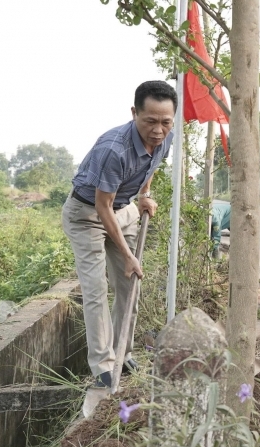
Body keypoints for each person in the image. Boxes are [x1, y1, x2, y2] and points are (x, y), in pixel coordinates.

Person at [62, 80, 176, 389]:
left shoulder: (167, 136)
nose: (157, 129)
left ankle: (121, 352)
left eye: (165, 122)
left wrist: (145, 195)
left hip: (123, 210)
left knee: (130, 286)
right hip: (86, 214)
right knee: (97, 289)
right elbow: (102, 206)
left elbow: (152, 165)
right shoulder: (113, 148)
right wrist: (127, 255)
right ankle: (102, 366)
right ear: (134, 113)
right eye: (150, 121)